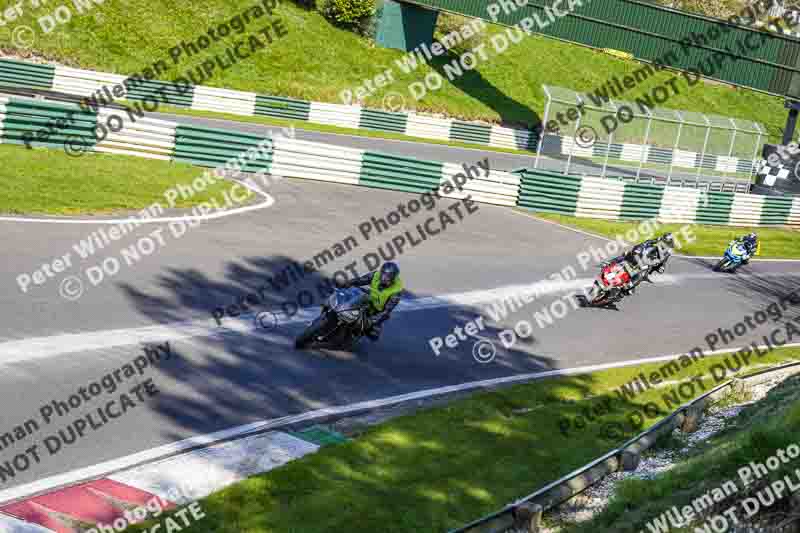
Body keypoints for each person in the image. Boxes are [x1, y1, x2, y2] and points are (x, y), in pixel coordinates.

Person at [338, 262, 403, 340]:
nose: (384, 278)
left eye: (388, 276)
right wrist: (347, 283)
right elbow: (360, 280)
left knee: (373, 334)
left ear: (393, 278)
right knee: (348, 297)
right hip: (368, 299)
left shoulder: (396, 291)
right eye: (383, 274)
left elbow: (387, 310)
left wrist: (373, 321)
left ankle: (354, 336)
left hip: (377, 311)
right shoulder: (375, 275)